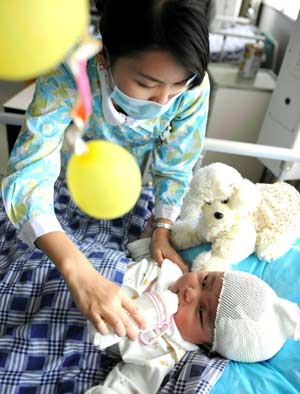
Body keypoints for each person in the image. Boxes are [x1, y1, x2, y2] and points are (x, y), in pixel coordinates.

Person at [1, 0, 210, 340]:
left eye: (177, 87)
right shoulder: (70, 71)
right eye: (146, 84)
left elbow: (176, 163)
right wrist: (78, 272)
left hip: (126, 194)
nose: (163, 101)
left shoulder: (192, 86)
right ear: (104, 57)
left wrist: (162, 225)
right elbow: (29, 172)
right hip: (57, 191)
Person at [85, 237, 300, 393]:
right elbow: (143, 253)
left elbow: (129, 384)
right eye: (205, 281)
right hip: (85, 262)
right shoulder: (174, 272)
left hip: (81, 317)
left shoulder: (164, 350)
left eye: (200, 311)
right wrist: (150, 239)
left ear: (206, 346)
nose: (190, 292)